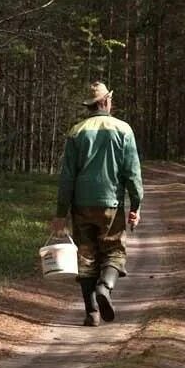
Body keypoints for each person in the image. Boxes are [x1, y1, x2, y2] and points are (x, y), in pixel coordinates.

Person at [51, 81, 143, 326]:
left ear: (91, 105)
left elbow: (67, 176)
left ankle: (91, 312)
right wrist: (135, 205)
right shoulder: (123, 130)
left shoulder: (76, 132)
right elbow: (132, 172)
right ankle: (105, 286)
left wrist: (61, 213)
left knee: (86, 257)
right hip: (110, 203)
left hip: (81, 205)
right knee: (114, 250)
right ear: (106, 102)